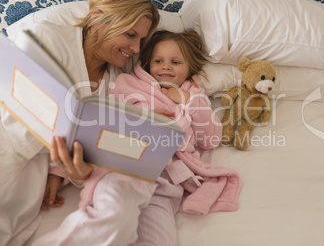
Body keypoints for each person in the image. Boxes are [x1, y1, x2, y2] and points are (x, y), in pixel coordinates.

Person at [33, 30, 241, 245]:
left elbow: (211, 139)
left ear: (189, 68)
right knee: (112, 218)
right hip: (128, 164)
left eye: (175, 62)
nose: (166, 66)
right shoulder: (127, 86)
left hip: (167, 183)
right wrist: (59, 171)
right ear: (147, 62)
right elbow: (97, 130)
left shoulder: (194, 95)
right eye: (158, 60)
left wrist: (187, 99)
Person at [0, 0, 159, 245]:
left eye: (141, 39)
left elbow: (97, 150)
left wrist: (74, 173)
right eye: (130, 35)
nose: (135, 49)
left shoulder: (119, 84)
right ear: (97, 18)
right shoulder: (45, 37)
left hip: (27, 191)